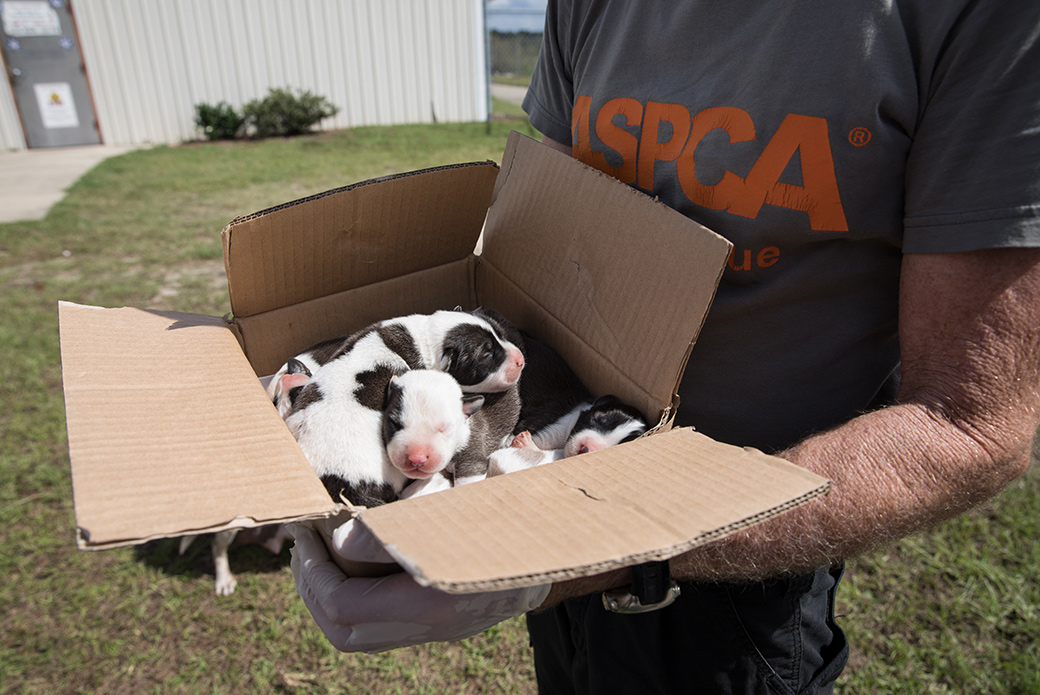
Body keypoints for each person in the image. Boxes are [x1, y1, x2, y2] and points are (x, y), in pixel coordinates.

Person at [290, 1, 1040, 692]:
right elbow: (548, 250)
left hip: (739, 581)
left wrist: (602, 556)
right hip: (547, 499)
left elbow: (970, 426)